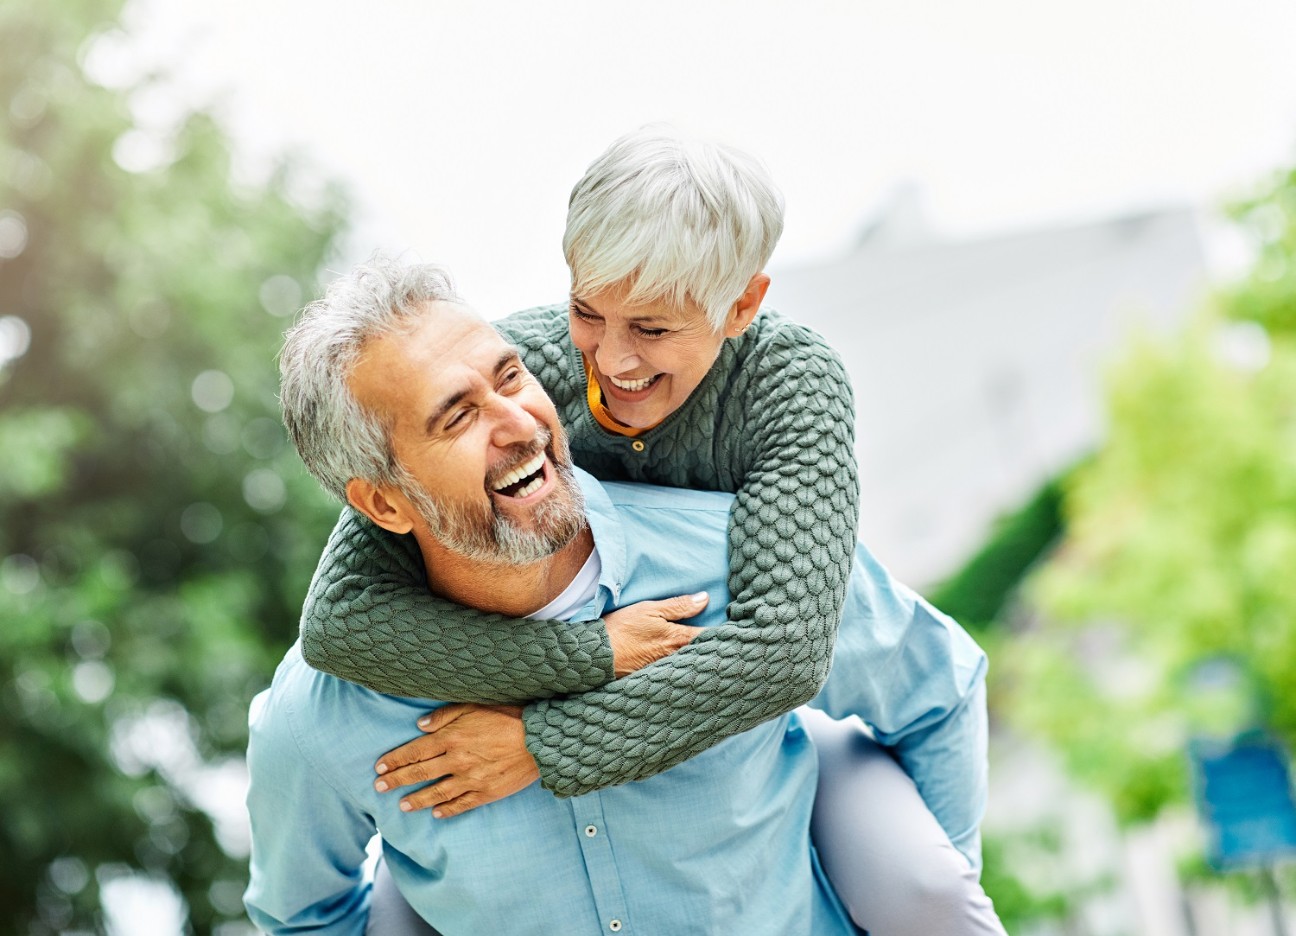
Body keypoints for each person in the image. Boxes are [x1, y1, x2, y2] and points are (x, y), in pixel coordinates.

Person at [293, 128, 1003, 933]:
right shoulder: (527, 371)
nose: (611, 359)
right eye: (587, 311)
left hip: (765, 729)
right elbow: (340, 619)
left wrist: (541, 745)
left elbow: (785, 653)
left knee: (931, 892)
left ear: (741, 304)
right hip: (571, 734)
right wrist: (589, 655)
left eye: (654, 328)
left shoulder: (789, 388)